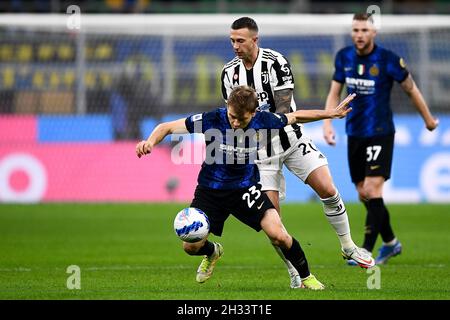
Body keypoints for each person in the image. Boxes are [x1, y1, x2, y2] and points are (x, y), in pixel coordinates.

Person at [136, 85, 354, 289]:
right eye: (232, 116)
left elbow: (296, 116)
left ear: (253, 113)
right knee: (190, 246)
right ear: (227, 108)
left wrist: (331, 114)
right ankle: (212, 252)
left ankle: (307, 278)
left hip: (245, 189)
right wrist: (150, 142)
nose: (235, 123)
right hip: (210, 191)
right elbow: (166, 127)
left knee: (278, 235)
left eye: (241, 119)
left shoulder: (264, 120)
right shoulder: (213, 118)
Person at [221, 17, 374, 287]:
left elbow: (283, 111)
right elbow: (232, 116)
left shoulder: (276, 63)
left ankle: (348, 246)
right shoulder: (228, 73)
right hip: (261, 155)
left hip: (291, 140)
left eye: (240, 40)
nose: (235, 45)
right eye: (232, 40)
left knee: (327, 188)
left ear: (255, 40)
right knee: (274, 223)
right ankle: (295, 274)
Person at [323, 13, 439, 265]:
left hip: (380, 132)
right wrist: (327, 122)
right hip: (354, 133)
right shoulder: (343, 56)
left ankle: (363, 251)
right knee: (364, 194)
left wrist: (428, 120)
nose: (359, 35)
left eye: (364, 30)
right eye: (355, 30)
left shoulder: (388, 59)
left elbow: (411, 89)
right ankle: (391, 243)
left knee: (373, 189)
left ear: (374, 33)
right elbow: (334, 91)